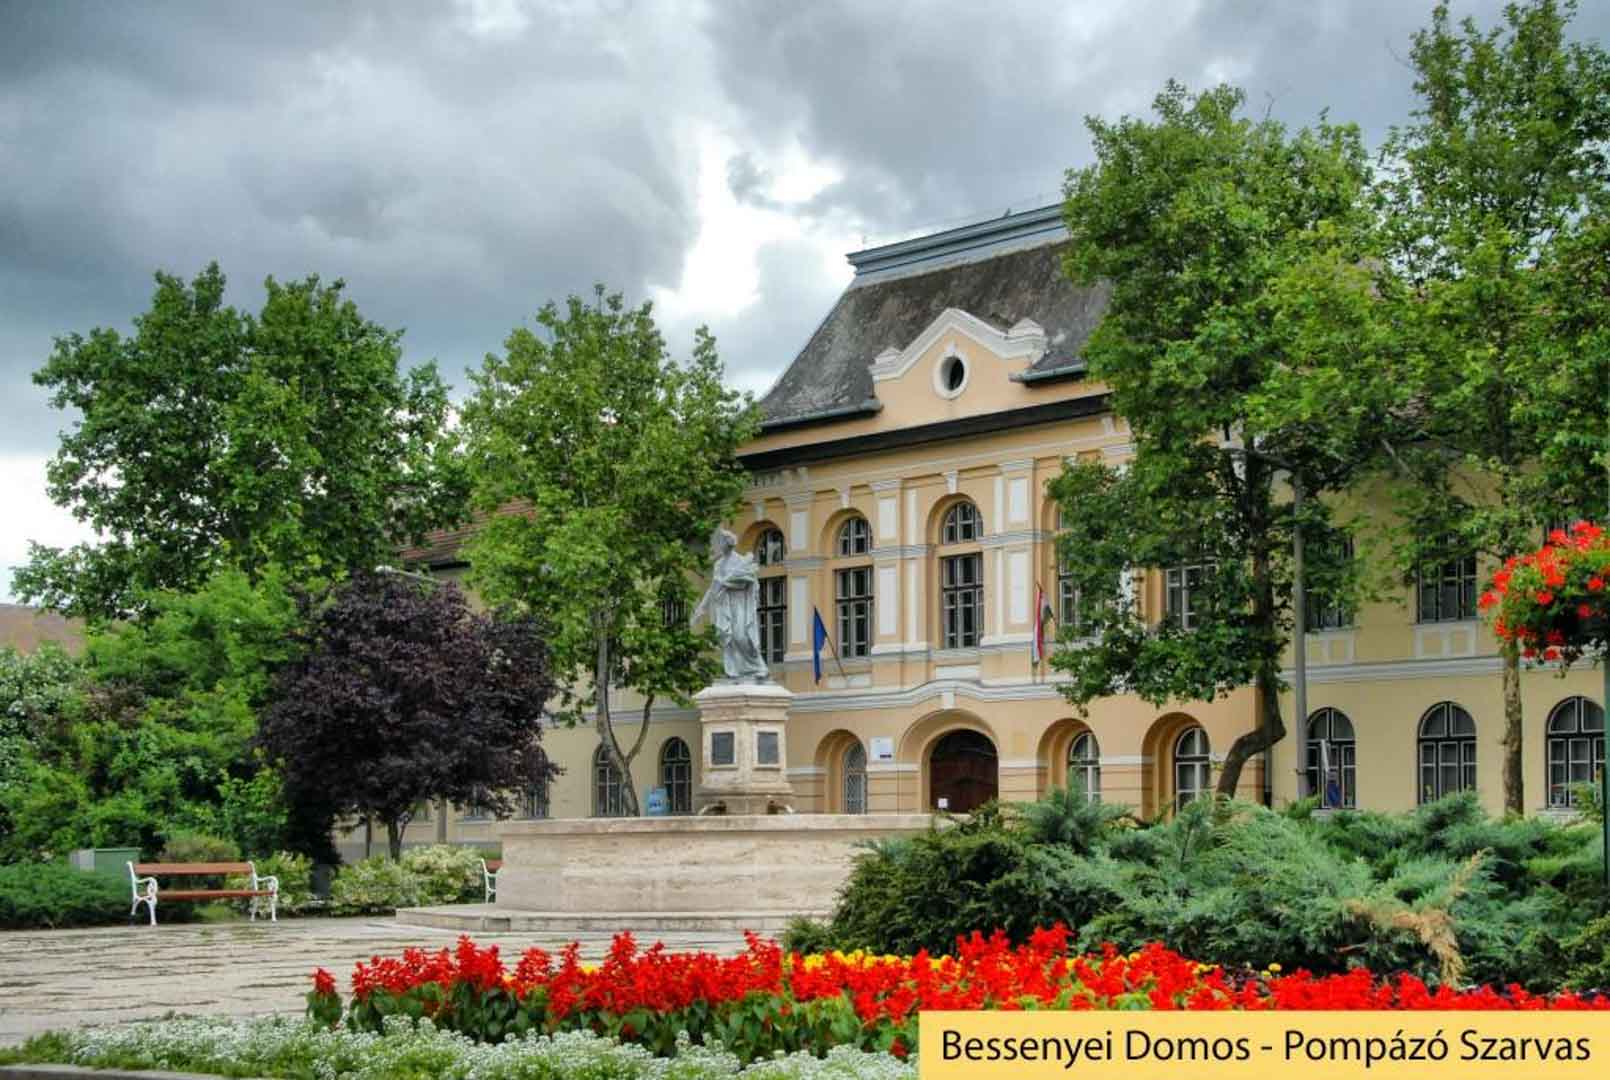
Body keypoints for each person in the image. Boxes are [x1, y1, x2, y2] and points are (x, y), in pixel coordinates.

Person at [691, 527, 770, 682]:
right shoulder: (719, 564)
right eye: (721, 542)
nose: (721, 545)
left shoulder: (741, 561)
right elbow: (713, 588)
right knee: (729, 638)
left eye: (723, 542)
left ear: (729, 544)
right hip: (725, 605)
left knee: (741, 636)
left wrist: (727, 582)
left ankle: (758, 667)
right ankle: (735, 671)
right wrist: (701, 608)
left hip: (739, 603)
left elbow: (748, 581)